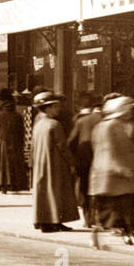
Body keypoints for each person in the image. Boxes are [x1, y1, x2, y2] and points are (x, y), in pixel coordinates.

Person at [89, 94, 134, 248]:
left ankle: (129, 234)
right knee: (115, 210)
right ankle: (119, 234)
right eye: (128, 109)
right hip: (113, 175)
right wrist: (118, 167)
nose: (131, 112)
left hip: (126, 175)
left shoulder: (128, 124)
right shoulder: (110, 126)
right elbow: (107, 149)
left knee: (127, 208)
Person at [30, 91, 78, 233]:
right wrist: (72, 163)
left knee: (44, 192)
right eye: (56, 106)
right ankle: (56, 220)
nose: (59, 109)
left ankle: (44, 220)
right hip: (55, 163)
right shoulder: (54, 124)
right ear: (48, 108)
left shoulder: (38, 124)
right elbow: (62, 147)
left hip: (41, 163)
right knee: (57, 191)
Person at [66, 92, 101, 228]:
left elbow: (71, 142)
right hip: (101, 160)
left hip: (85, 161)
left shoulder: (81, 121)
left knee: (85, 189)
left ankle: (88, 220)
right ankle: (100, 219)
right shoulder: (105, 119)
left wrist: (73, 160)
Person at [0, 89, 28, 193]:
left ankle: (2, 185)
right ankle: (14, 184)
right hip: (15, 142)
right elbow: (22, 132)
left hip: (1, 142)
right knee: (14, 163)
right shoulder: (18, 116)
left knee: (2, 164)